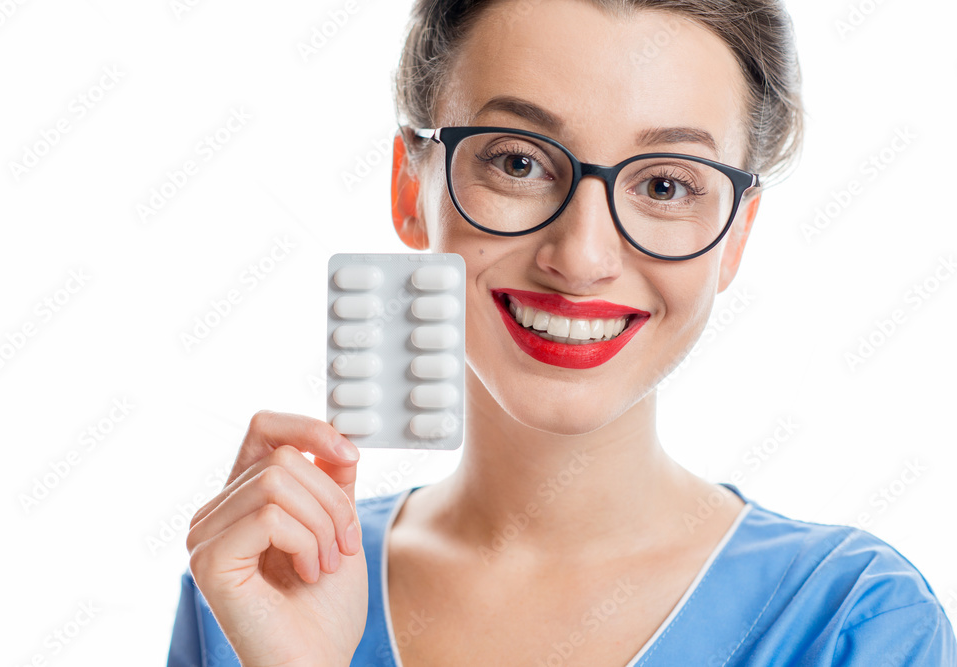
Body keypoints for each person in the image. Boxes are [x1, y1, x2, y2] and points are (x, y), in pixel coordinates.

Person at [168, 0, 957, 665]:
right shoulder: (264, 575)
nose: (580, 257)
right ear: (412, 189)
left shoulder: (854, 621)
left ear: (735, 236)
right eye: (516, 163)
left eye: (664, 184)